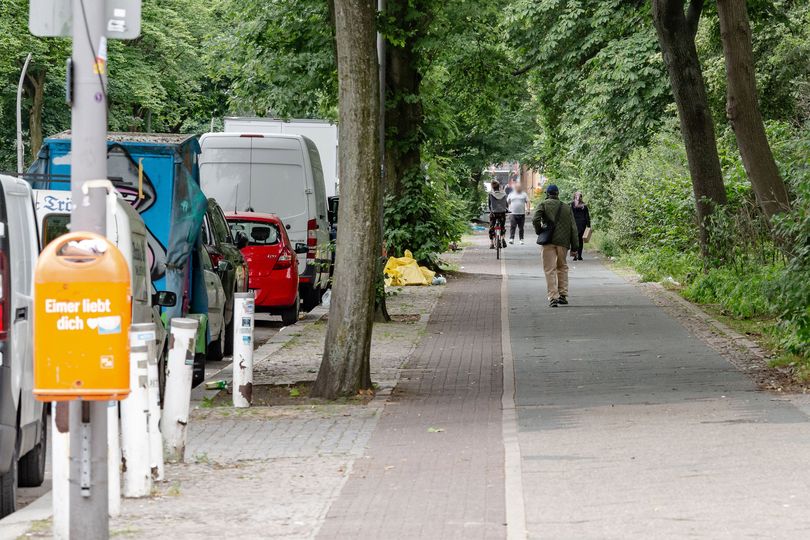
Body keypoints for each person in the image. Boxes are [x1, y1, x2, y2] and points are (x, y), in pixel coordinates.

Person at [532, 184, 579, 307]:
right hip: (563, 242)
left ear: (547, 194)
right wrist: (575, 247)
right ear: (558, 194)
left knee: (549, 269)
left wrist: (539, 231)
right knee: (562, 267)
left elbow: (535, 219)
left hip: (548, 241)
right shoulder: (566, 207)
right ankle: (563, 295)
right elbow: (573, 228)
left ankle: (553, 297)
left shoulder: (543, 204)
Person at [488, 180, 508, 249]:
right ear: (499, 187)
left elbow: (489, 205)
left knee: (491, 227)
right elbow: (506, 204)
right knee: (502, 226)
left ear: (492, 187)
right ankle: (502, 239)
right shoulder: (504, 194)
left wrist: (490, 211)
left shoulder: (490, 194)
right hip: (502, 213)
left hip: (494, 214)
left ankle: (491, 243)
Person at [571, 191, 591, 261]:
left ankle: (575, 255)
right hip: (582, 224)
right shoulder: (584, 205)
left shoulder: (572, 204)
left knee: (574, 240)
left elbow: (570, 215)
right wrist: (588, 225)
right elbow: (587, 216)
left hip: (574, 225)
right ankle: (579, 255)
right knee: (580, 240)